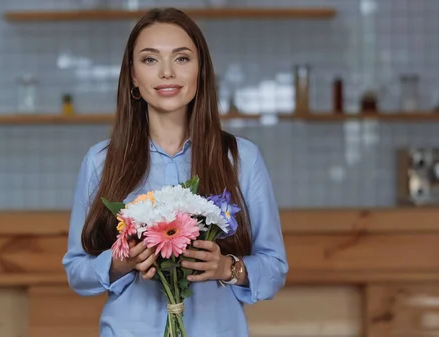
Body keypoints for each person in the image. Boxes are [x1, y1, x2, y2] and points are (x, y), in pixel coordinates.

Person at [62, 7, 288, 337]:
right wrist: (119, 262)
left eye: (182, 58)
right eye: (150, 60)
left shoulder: (241, 158)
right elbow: (76, 269)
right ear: (133, 77)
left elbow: (274, 267)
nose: (167, 72)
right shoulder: (100, 161)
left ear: (201, 71)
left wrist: (228, 267)